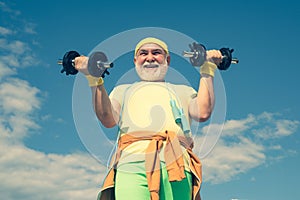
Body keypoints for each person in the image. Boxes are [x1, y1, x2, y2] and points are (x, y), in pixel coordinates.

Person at [74, 37, 222, 200]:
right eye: (143, 53)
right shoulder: (123, 90)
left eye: (156, 53)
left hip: (177, 166)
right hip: (132, 165)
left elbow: (203, 112)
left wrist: (207, 68)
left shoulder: (184, 90)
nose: (150, 57)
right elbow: (107, 118)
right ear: (135, 60)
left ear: (167, 59)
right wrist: (94, 78)